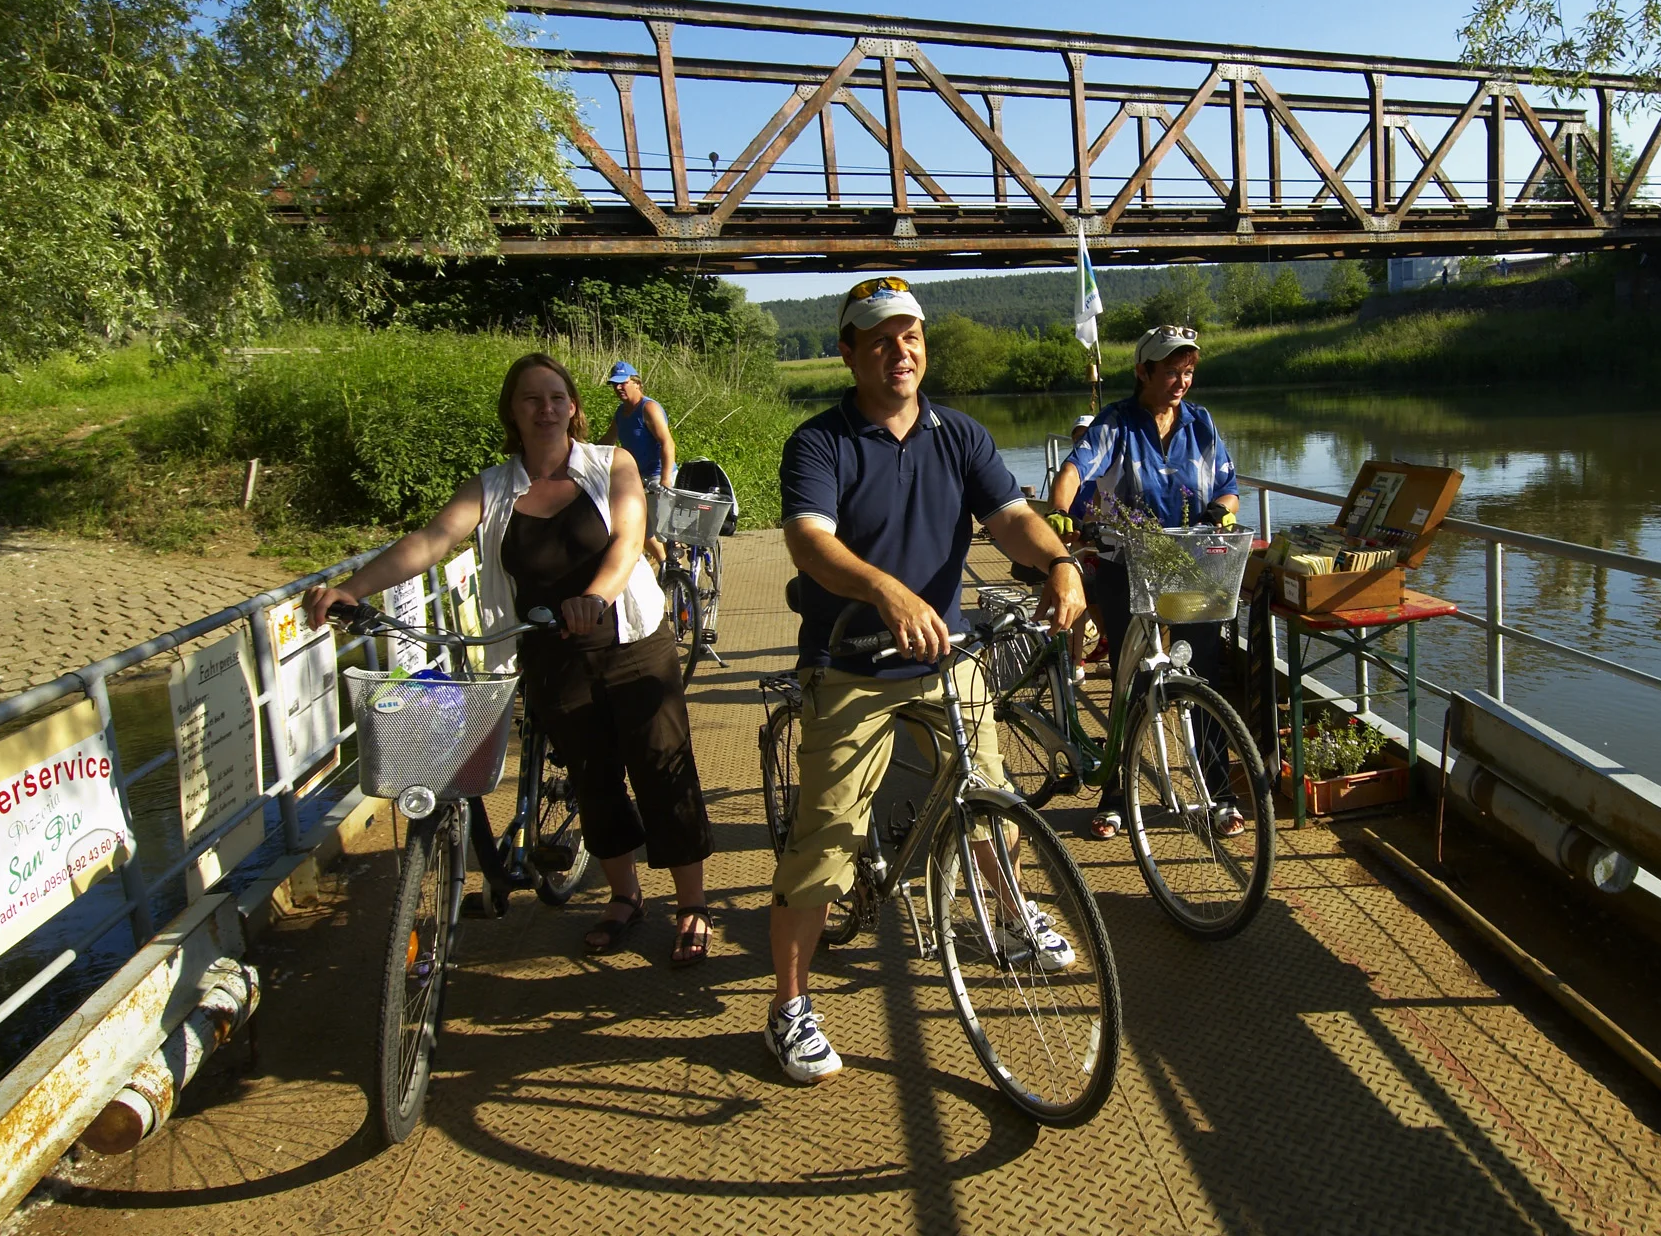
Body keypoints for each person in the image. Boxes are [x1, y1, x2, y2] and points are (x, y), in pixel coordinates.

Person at [765, 276, 1087, 1084]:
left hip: (944, 655)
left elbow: (1009, 516)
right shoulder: (819, 442)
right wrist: (884, 589)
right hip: (850, 663)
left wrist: (1059, 562)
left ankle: (1006, 917)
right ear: (848, 353)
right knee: (825, 842)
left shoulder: (959, 434)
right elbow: (809, 542)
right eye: (878, 339)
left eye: (908, 336)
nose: (898, 351)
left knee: (992, 798)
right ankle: (788, 1007)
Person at [304, 353, 715, 968]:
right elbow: (430, 541)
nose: (546, 409)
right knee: (593, 779)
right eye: (531, 399)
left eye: (556, 397)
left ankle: (691, 905)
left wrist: (595, 597)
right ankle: (625, 898)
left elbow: (629, 540)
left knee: (662, 767)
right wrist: (352, 590)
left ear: (573, 407)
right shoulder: (492, 486)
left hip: (631, 642)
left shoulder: (611, 465)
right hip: (550, 651)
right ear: (512, 413)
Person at [1045, 324, 1241, 841]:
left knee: (1203, 678)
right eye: (1171, 371)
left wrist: (1220, 511)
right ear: (1143, 372)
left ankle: (1219, 792)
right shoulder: (1116, 423)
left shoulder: (1201, 423)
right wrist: (1060, 511)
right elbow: (1074, 470)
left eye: (1188, 371)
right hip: (1124, 563)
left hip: (1189, 564)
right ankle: (1115, 796)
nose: (1182, 381)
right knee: (1129, 682)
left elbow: (1228, 486)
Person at [601, 360, 677, 567]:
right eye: (614, 384)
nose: (618, 388)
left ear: (636, 383)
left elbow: (667, 443)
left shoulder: (648, 408)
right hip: (635, 478)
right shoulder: (621, 412)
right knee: (636, 527)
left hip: (658, 476)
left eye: (623, 383)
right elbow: (608, 440)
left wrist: (665, 479)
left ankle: (675, 568)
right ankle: (665, 565)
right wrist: (583, 452)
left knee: (663, 532)